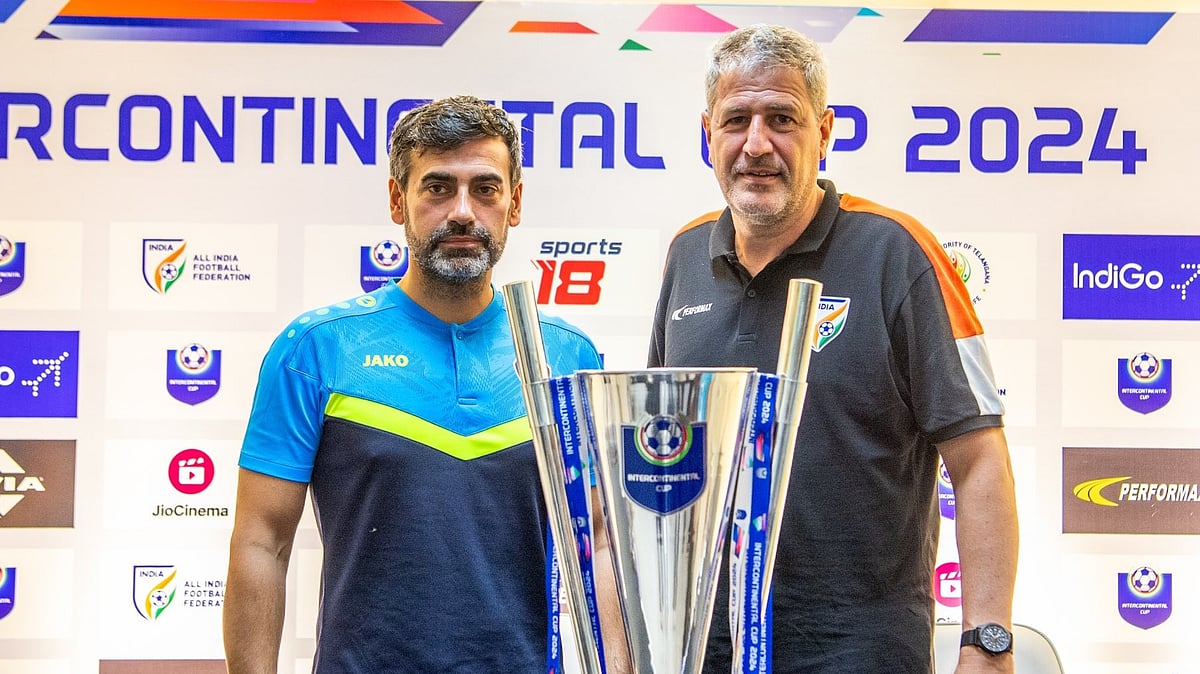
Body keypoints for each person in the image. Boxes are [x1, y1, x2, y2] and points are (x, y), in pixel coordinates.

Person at [648, 25, 1019, 674]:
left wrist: (987, 643)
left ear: (825, 132)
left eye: (782, 118)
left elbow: (979, 457)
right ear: (707, 132)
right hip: (703, 648)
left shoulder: (897, 251)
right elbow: (658, 450)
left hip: (859, 650)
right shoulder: (685, 255)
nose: (756, 144)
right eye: (736, 119)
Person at [223, 95, 620, 673]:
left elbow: (601, 546)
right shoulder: (316, 349)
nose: (463, 211)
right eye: (438, 187)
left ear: (514, 203)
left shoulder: (567, 354)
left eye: (485, 188)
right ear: (396, 200)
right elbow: (262, 542)